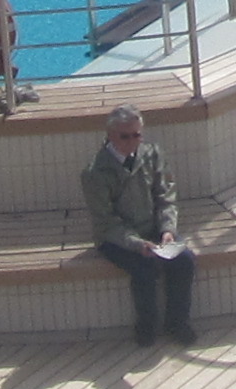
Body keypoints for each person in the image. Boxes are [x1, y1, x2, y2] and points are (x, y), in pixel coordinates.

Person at [83, 104, 196, 345]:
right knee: (145, 269)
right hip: (115, 238)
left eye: (137, 135)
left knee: (184, 260)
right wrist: (136, 244)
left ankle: (178, 322)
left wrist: (167, 229)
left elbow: (166, 196)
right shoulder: (95, 172)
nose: (133, 141)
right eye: (125, 136)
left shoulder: (152, 155)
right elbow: (106, 221)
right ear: (110, 135)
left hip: (152, 228)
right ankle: (146, 325)